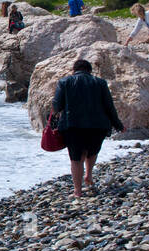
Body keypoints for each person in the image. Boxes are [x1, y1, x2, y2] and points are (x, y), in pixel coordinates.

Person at [51, 59, 125, 198]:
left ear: (74, 70)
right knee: (91, 151)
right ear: (90, 71)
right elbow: (109, 106)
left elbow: (57, 105)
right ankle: (89, 175)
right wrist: (118, 125)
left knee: (76, 158)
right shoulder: (100, 83)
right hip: (98, 126)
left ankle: (77, 191)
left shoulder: (64, 82)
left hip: (72, 126)